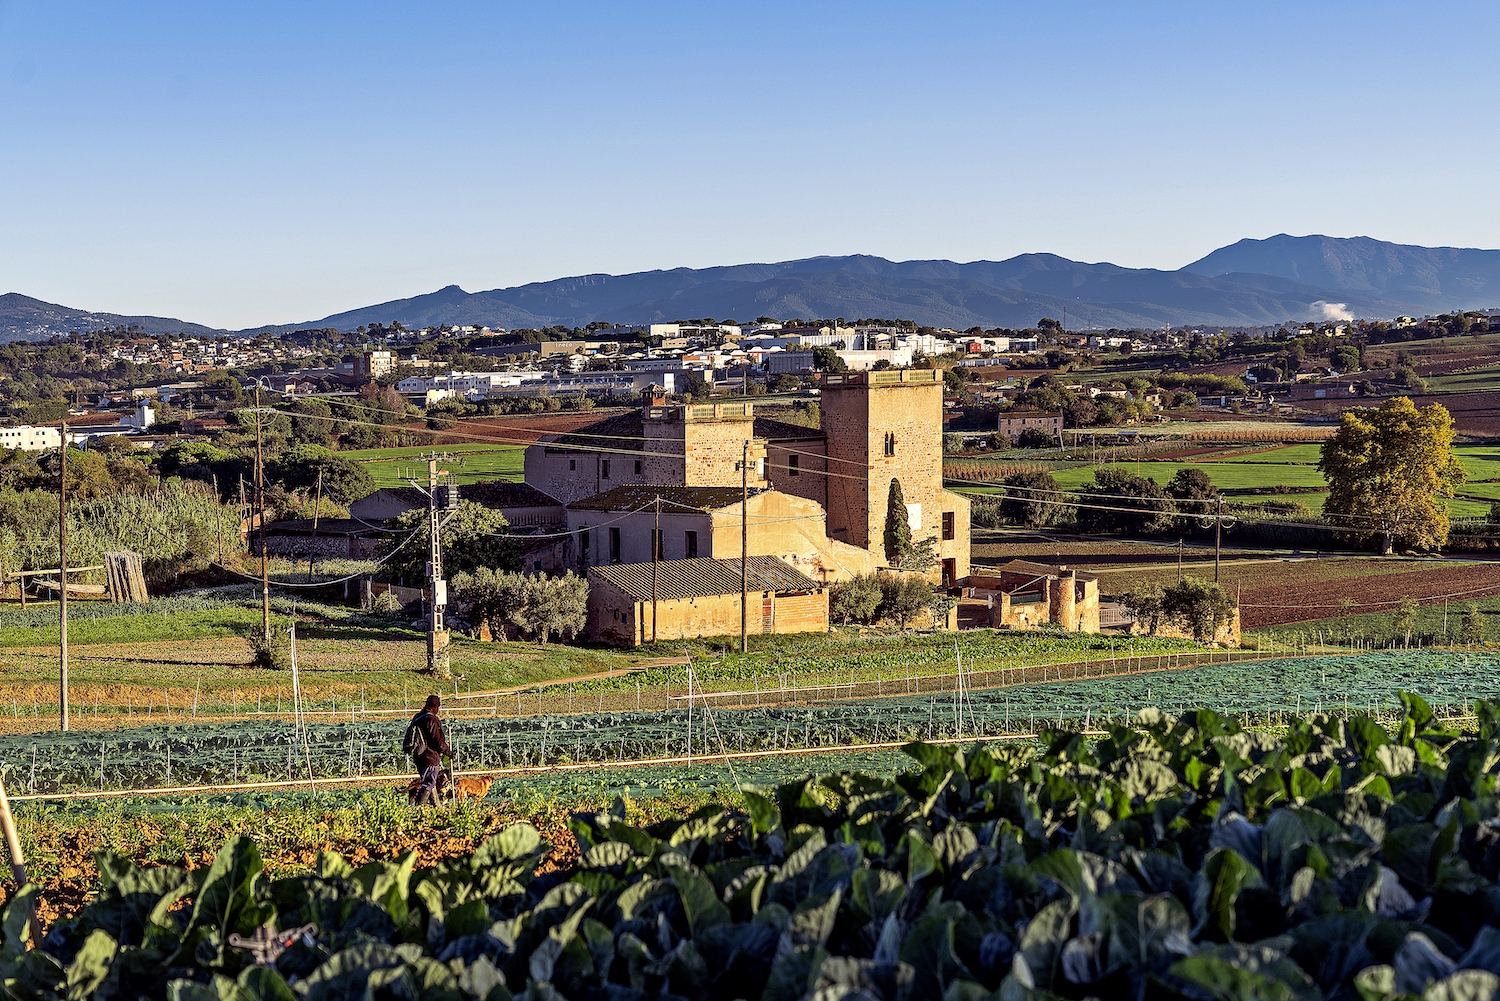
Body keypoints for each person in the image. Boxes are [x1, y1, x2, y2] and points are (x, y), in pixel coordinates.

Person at [406, 694, 452, 806]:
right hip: (429, 756)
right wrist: (448, 752)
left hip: (418, 755)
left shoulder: (418, 717)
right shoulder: (431, 719)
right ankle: (419, 808)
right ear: (435, 707)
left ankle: (437, 806)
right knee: (429, 782)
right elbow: (438, 741)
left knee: (430, 782)